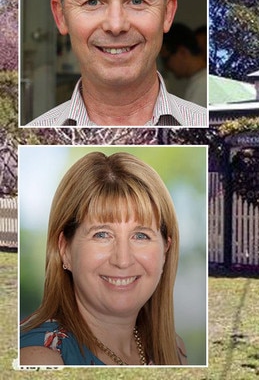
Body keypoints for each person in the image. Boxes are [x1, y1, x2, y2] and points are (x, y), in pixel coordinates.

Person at [26, 0, 207, 127]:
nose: (115, 25)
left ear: (167, 13)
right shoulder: (32, 139)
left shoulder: (211, 128)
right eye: (93, 2)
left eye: (136, 1)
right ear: (60, 16)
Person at [20, 152, 188, 365]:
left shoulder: (173, 350)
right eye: (102, 234)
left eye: (140, 235)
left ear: (166, 251)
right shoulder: (40, 358)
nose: (123, 260)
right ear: (65, 250)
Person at [160, 23, 208, 107]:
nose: (167, 67)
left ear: (183, 52)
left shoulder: (202, 84)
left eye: (166, 59)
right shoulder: (199, 81)